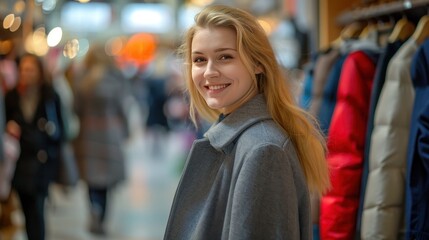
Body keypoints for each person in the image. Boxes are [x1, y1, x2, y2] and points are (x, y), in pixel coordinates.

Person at [163, 5, 330, 240]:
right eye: (199, 60)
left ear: (257, 63)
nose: (209, 71)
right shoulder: (241, 138)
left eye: (225, 57)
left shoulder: (262, 150)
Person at [4, 53, 64, 240]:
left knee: (37, 211)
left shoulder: (49, 95)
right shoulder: (12, 96)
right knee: (26, 208)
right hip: (19, 162)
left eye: (30, 69)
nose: (25, 73)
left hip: (42, 162)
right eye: (22, 69)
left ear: (39, 71)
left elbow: (61, 130)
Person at [72, 43, 130, 236]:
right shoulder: (116, 78)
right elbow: (123, 108)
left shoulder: (82, 79)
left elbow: (76, 108)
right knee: (106, 181)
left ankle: (94, 207)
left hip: (88, 134)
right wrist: (127, 131)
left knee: (91, 179)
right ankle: (102, 215)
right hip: (110, 133)